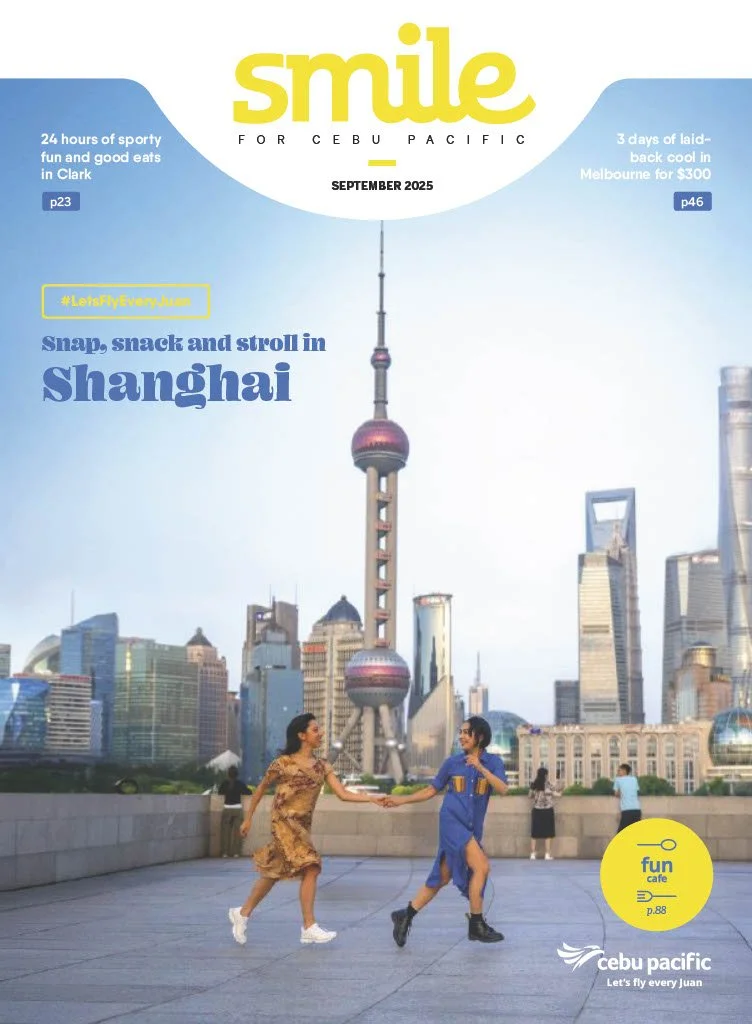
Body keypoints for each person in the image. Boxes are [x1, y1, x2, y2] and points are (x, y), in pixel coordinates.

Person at [228, 712, 386, 946]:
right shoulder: (283, 763)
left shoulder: (322, 766)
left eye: (319, 729)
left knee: (273, 873)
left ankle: (242, 913)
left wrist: (371, 798)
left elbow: (343, 794)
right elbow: (260, 789)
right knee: (312, 866)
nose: (320, 733)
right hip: (282, 823)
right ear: (301, 735)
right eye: (315, 730)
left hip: (302, 827)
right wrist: (247, 819)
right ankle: (309, 926)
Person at [385, 716, 508, 947]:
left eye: (466, 732)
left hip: (471, 828)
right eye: (460, 732)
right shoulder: (452, 763)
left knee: (441, 877)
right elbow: (431, 790)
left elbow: (503, 788)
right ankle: (476, 925)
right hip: (451, 822)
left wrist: (480, 767)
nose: (461, 736)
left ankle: (405, 915)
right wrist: (401, 800)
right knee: (481, 867)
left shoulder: (493, 762)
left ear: (480, 736)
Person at [217, 765, 251, 858]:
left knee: (225, 832)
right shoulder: (240, 784)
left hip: (227, 808)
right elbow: (248, 792)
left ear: (228, 774)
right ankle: (236, 852)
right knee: (238, 832)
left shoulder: (224, 784)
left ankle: (225, 852)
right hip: (237, 809)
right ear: (237, 774)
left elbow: (219, 792)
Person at [528, 766, 559, 860]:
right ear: (545, 775)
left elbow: (529, 795)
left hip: (537, 810)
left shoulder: (534, 784)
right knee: (548, 833)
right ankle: (547, 854)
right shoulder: (548, 784)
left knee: (534, 833)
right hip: (547, 810)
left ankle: (532, 854)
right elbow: (556, 793)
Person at [613, 763, 641, 832]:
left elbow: (616, 794)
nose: (617, 772)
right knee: (635, 832)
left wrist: (621, 793)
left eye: (619, 770)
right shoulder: (634, 779)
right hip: (637, 809)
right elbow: (636, 791)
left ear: (624, 771)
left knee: (621, 833)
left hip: (626, 810)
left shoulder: (618, 780)